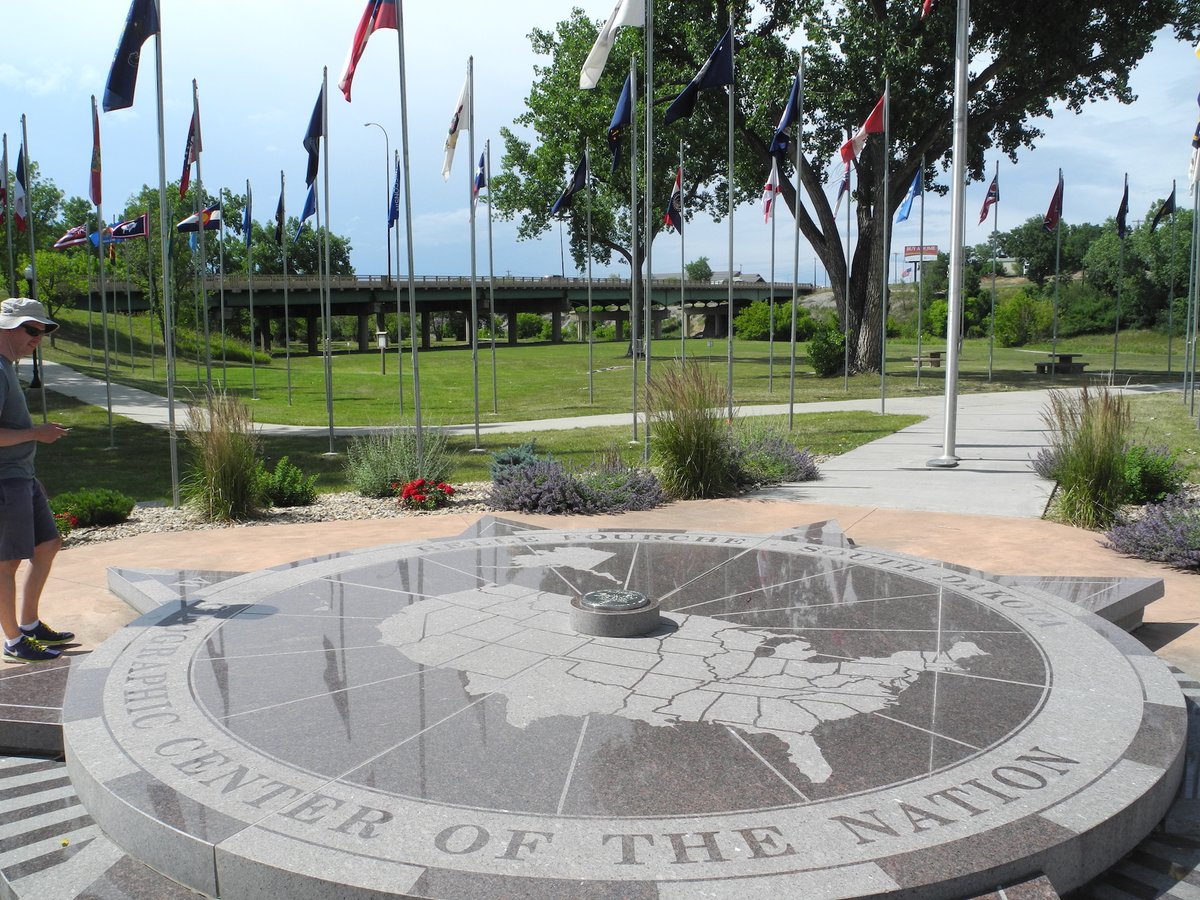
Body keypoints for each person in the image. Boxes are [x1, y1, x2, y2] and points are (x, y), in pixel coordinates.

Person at [0, 298, 73, 662]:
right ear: (6, 326)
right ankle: (13, 640)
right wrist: (36, 434)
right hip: (5, 481)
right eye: (31, 329)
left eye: (42, 331)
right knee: (6, 562)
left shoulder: (7, 368)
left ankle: (29, 624)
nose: (38, 337)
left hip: (22, 476)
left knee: (48, 544)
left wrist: (35, 435)